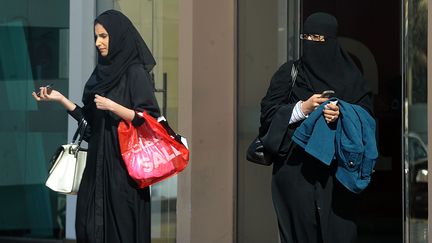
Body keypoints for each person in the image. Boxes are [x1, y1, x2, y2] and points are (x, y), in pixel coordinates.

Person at [32, 10, 159, 243]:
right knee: (89, 230)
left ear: (118, 37)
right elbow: (90, 127)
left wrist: (114, 106)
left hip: (124, 176)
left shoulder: (135, 73)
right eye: (96, 37)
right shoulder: (99, 76)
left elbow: (149, 120)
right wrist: (61, 99)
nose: (98, 42)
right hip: (95, 173)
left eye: (103, 36)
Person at [259, 12, 374, 243]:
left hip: (338, 177)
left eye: (319, 39)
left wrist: (342, 114)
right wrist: (303, 108)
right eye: (307, 37)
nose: (312, 43)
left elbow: (367, 119)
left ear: (331, 40)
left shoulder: (352, 78)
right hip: (294, 175)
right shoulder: (290, 73)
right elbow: (268, 118)